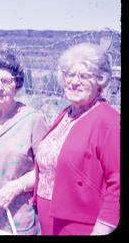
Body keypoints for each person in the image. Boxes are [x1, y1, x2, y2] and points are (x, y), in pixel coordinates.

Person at [34, 42, 120, 235]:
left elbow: (118, 183)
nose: (74, 81)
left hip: (81, 226)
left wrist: (101, 231)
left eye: (84, 76)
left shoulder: (109, 121)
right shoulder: (65, 114)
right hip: (48, 221)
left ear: (100, 80)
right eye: (69, 75)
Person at [0, 50, 48, 235]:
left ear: (17, 85)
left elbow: (46, 169)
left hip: (17, 221)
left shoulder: (33, 120)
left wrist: (17, 185)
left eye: (7, 81)